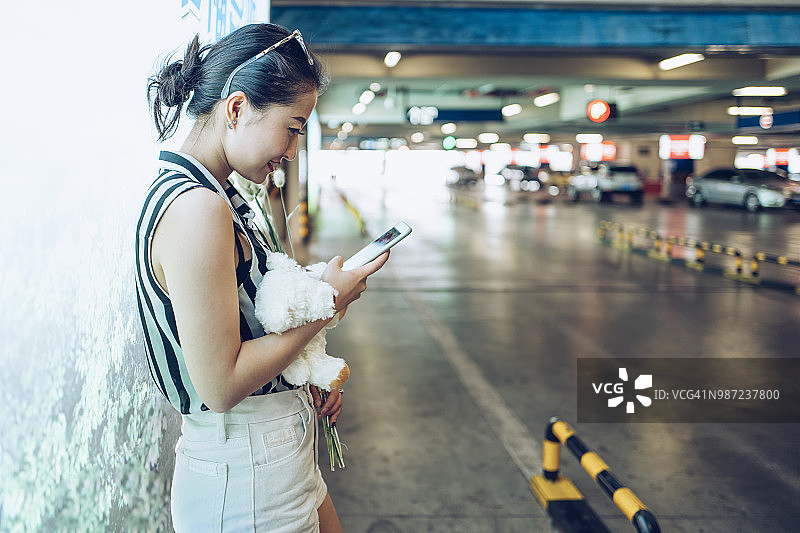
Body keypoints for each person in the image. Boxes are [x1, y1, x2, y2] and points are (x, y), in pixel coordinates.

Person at [137, 23, 388, 532]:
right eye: (292, 127)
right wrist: (327, 308)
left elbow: (245, 320)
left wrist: (299, 370)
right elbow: (221, 383)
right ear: (236, 108)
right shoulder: (196, 208)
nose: (292, 150)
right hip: (247, 479)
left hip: (270, 460)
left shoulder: (217, 194)